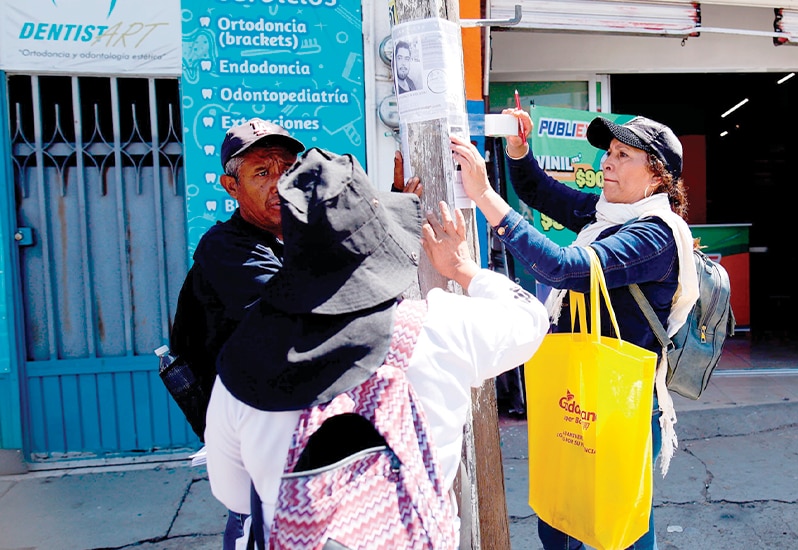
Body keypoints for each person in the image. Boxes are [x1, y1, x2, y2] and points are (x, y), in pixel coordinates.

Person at [203, 148, 549, 544]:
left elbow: (233, 493)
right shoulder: (440, 326)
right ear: (383, 246)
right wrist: (462, 269)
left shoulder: (244, 366)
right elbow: (530, 318)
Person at [449, 111, 699, 550]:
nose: (607, 162)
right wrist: (519, 150)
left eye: (623, 155)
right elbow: (536, 191)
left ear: (657, 175)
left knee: (614, 532)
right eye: (608, 152)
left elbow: (565, 269)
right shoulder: (605, 213)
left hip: (622, 407)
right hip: (580, 394)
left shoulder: (656, 237)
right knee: (560, 516)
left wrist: (485, 196)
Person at [169, 118, 304, 550]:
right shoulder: (229, 248)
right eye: (262, 173)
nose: (279, 183)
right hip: (255, 445)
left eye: (287, 169)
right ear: (232, 187)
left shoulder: (297, 239)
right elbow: (301, 318)